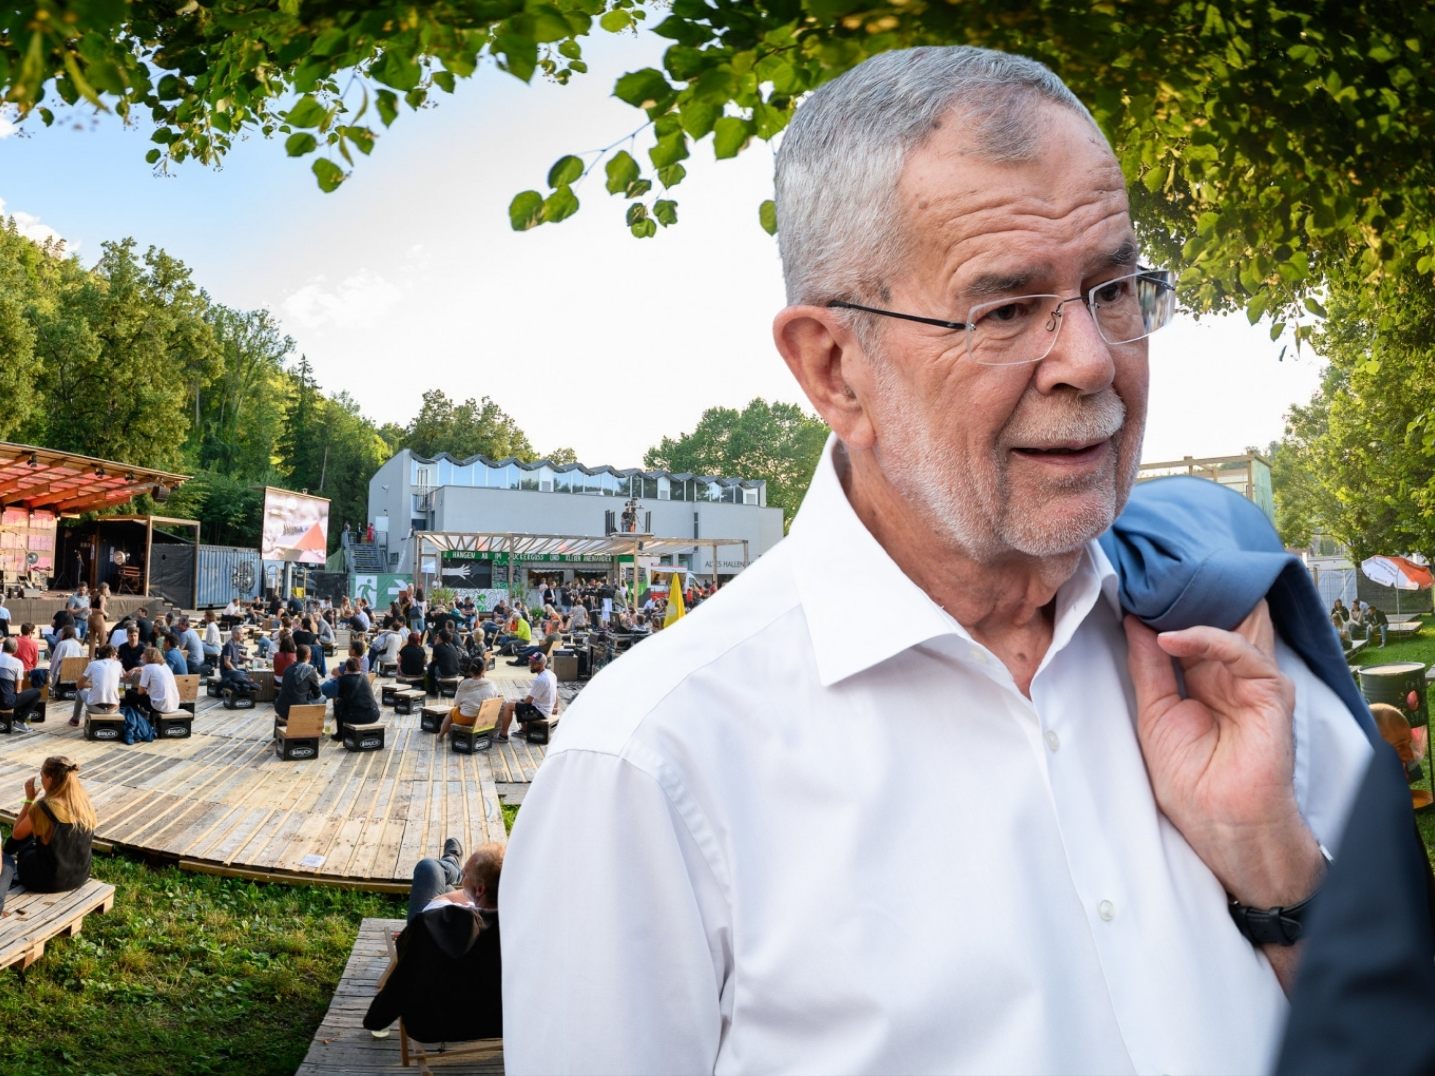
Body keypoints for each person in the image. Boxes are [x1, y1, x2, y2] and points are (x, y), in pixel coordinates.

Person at [499, 47, 1385, 1074]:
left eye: (1112, 287)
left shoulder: (1237, 642)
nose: (1090, 359)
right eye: (1005, 309)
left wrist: (1275, 874)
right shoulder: (654, 762)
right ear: (834, 368)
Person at [363, 841, 504, 1044]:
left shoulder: (429, 927)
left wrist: (374, 1021)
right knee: (441, 883)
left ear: (480, 890)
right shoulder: (523, 931)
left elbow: (400, 984)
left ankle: (450, 864)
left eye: (465, 876)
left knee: (428, 868)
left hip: (431, 1027)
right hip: (495, 1024)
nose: (464, 881)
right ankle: (451, 865)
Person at [0, 756, 95, 914]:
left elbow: (17, 834)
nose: (42, 780)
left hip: (47, 881)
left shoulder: (44, 807)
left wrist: (29, 799)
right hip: (80, 875)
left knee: (23, 839)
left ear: (50, 779)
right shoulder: (83, 803)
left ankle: (4, 859)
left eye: (42, 776)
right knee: (40, 833)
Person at [496, 652, 557, 742]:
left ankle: (503, 735)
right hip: (545, 708)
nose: (530, 664)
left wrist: (516, 702)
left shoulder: (540, 680)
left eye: (533, 663)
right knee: (515, 702)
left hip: (541, 712)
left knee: (509, 706)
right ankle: (524, 730)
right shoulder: (551, 674)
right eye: (530, 661)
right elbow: (556, 693)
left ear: (540, 664)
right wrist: (556, 707)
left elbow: (528, 701)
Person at [437, 663, 500, 742]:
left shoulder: (464, 683)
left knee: (452, 712)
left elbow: (457, 703)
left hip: (465, 718)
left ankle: (440, 735)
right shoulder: (491, 683)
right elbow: (496, 699)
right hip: (484, 719)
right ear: (484, 670)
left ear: (471, 671)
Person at [70, 644, 123, 728]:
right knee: (120, 690)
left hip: (95, 708)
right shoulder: (118, 665)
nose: (117, 657)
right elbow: (121, 684)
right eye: (116, 655)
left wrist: (92, 684)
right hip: (114, 708)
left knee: (79, 692)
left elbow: (78, 685)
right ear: (111, 655)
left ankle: (75, 719)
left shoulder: (93, 664)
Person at [332, 657, 380, 740]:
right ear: (359, 667)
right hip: (374, 714)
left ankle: (340, 735)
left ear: (346, 667)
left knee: (337, 706)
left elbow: (340, 698)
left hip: (355, 718)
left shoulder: (343, 679)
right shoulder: (364, 677)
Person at [126, 647, 179, 718]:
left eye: (144, 654)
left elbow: (140, 692)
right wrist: (137, 668)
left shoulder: (148, 668)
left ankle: (137, 718)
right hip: (174, 705)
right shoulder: (165, 666)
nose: (142, 656)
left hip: (160, 706)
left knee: (129, 693)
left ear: (148, 656)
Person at [0, 637, 40, 729]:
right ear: (15, 649)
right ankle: (19, 721)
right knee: (36, 692)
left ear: (3, 647)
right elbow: (18, 689)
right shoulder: (17, 663)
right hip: (6, 703)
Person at [273, 643, 321, 720]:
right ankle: (311, 725)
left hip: (280, 708)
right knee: (323, 698)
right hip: (296, 710)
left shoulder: (287, 669)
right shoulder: (310, 670)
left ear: (296, 655)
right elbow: (317, 694)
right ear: (309, 656)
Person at [427, 630, 462, 696]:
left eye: (437, 636)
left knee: (430, 667)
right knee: (434, 666)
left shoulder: (437, 647)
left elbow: (433, 660)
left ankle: (432, 691)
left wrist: (435, 644)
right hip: (456, 672)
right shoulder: (452, 645)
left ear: (440, 638)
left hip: (444, 673)